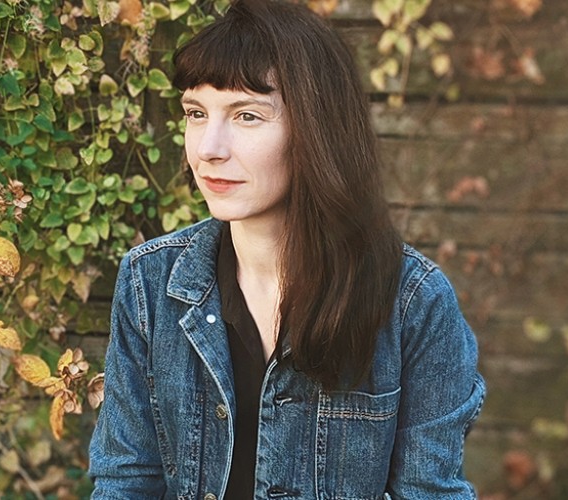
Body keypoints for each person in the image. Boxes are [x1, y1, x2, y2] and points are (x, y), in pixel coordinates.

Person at [87, 1, 485, 498]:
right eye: (195, 113)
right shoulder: (151, 281)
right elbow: (127, 480)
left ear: (316, 130)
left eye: (247, 115)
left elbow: (429, 492)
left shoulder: (412, 303)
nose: (209, 147)